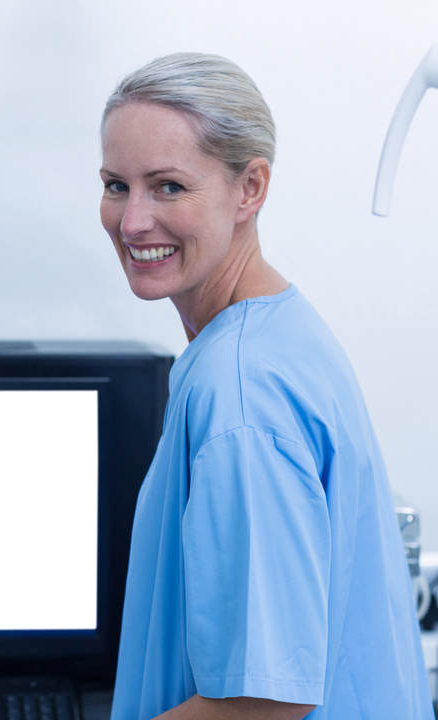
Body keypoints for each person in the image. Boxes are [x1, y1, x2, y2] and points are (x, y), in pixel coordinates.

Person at [99, 54, 433, 720]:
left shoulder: (243, 392)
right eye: (116, 185)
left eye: (167, 187)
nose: (132, 222)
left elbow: (265, 703)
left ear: (250, 189)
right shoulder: (278, 332)